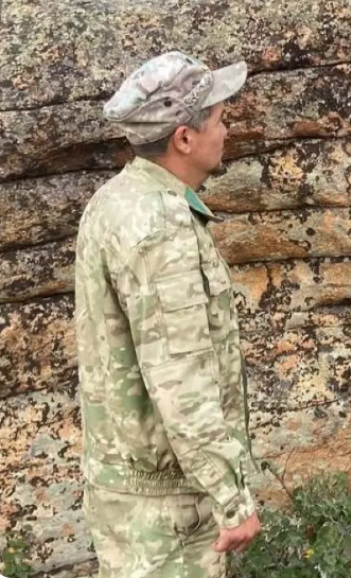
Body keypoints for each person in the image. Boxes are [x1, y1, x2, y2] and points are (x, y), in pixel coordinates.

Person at [74, 51, 260, 577]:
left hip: (129, 497)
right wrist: (230, 496)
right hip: (169, 513)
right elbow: (179, 376)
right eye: (220, 119)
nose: (226, 130)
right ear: (184, 138)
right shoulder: (160, 228)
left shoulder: (114, 200)